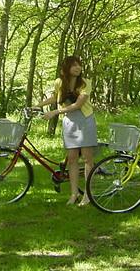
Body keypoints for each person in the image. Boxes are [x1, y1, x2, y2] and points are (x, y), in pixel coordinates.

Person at [32, 55, 97, 206]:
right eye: (74, 65)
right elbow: (56, 98)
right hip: (69, 122)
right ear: (66, 68)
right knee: (72, 159)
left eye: (79, 65)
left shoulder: (86, 83)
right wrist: (38, 105)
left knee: (88, 159)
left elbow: (78, 105)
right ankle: (74, 194)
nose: (77, 68)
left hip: (85, 121)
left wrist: (54, 112)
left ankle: (87, 194)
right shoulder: (59, 82)